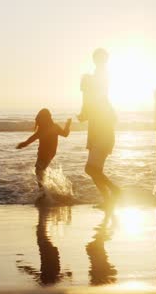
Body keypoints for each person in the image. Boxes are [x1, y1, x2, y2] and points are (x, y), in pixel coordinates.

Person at [79, 48, 121, 206]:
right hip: (97, 129)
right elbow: (90, 103)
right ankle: (108, 200)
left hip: (102, 131)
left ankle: (115, 191)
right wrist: (84, 113)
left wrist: (86, 85)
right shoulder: (98, 77)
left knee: (91, 169)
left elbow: (95, 97)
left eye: (99, 59)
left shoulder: (100, 77)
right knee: (94, 170)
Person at [16, 108, 71, 192]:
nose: (39, 120)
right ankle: (47, 192)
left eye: (41, 118)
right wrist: (67, 125)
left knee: (39, 171)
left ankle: (44, 192)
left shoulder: (44, 129)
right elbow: (65, 134)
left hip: (44, 153)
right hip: (50, 153)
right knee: (40, 172)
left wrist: (24, 144)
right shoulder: (54, 127)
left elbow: (32, 138)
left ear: (45, 118)